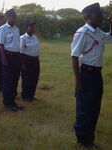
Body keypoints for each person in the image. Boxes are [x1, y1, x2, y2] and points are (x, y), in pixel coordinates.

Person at [71, 3, 112, 148]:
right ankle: (82, 140)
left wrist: (110, 24)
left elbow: (110, 39)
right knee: (85, 108)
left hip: (97, 75)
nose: (101, 16)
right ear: (88, 16)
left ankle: (89, 137)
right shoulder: (82, 32)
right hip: (86, 74)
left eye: (101, 14)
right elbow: (74, 57)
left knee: (95, 107)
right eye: (98, 14)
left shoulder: (98, 32)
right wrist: (78, 81)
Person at [0, 9, 24, 111]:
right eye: (13, 17)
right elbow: (1, 44)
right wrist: (4, 58)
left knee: (15, 79)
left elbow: (17, 45)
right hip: (8, 56)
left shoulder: (16, 29)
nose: (14, 19)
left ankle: (12, 101)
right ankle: (7, 103)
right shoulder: (3, 29)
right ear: (8, 17)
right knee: (8, 80)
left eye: (15, 17)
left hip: (16, 56)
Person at [20, 20, 40, 102]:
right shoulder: (22, 38)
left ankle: (31, 96)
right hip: (27, 60)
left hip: (35, 60)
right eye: (31, 27)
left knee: (34, 79)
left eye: (33, 27)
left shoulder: (35, 37)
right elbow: (20, 52)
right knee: (26, 80)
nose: (33, 28)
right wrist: (23, 64)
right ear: (26, 28)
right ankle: (25, 96)